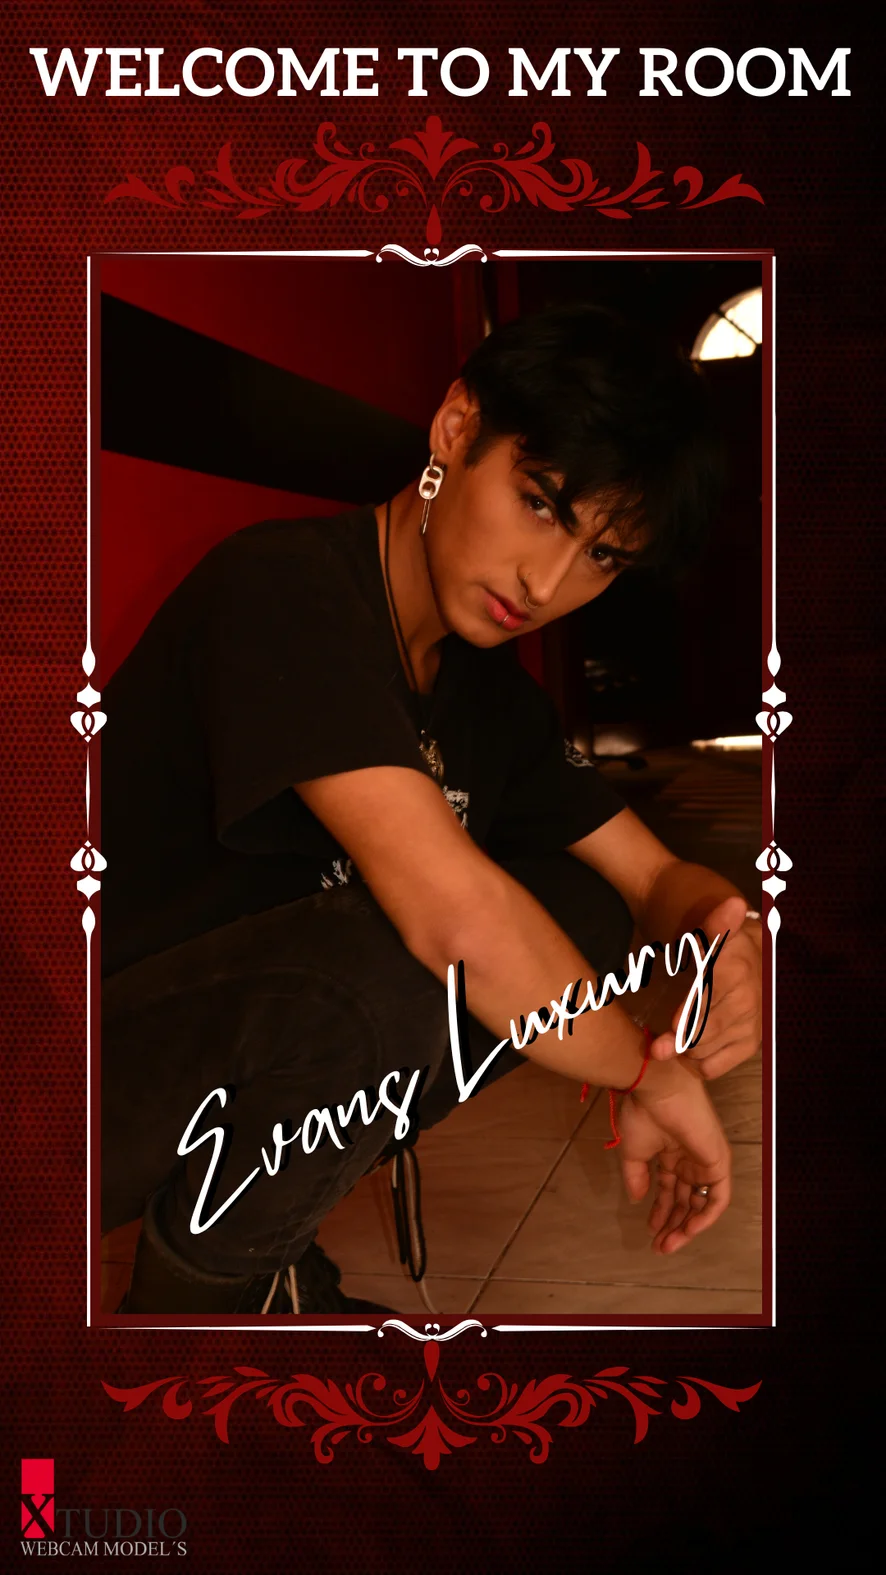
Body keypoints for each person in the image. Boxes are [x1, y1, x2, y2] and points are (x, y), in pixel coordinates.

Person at [100, 303, 762, 1315]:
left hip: (217, 1072)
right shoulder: (283, 590)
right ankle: (215, 1297)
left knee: (579, 908)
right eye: (540, 503)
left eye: (602, 556)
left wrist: (727, 932)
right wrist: (645, 1072)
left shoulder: (488, 697)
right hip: (75, 1078)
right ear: (456, 429)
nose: (545, 581)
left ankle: (249, 1252)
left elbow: (651, 876)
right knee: (411, 951)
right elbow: (455, 921)